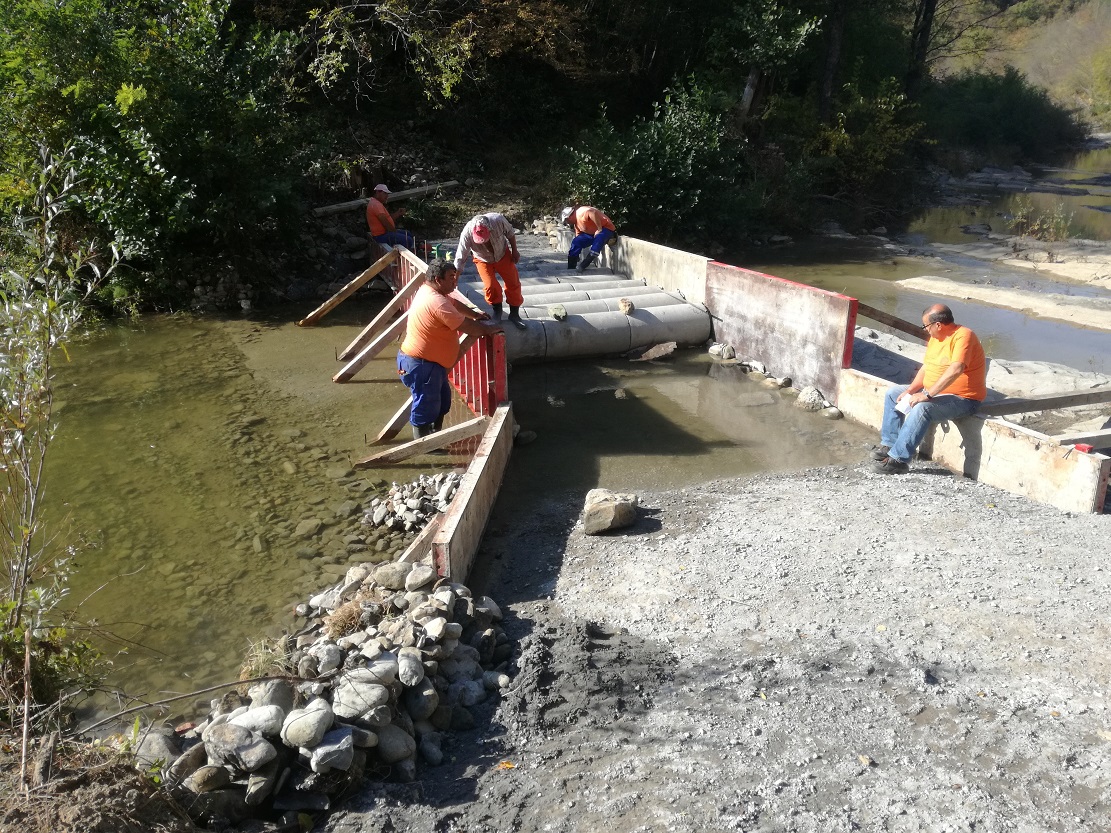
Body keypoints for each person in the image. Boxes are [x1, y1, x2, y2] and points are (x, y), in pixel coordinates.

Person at [871, 303, 987, 474]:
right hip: (937, 393)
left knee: (923, 408)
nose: (925, 330)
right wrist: (910, 390)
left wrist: (926, 394)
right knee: (893, 394)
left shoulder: (963, 336)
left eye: (926, 326)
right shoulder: (935, 338)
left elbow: (957, 368)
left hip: (964, 399)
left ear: (938, 325)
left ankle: (898, 460)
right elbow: (927, 368)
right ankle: (889, 444)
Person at [397, 259, 502, 439]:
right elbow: (470, 328)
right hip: (421, 364)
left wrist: (476, 315)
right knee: (426, 406)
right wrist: (492, 328)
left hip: (428, 364)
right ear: (438, 279)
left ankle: (435, 436)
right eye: (451, 277)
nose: (455, 281)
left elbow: (455, 304)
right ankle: (423, 445)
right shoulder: (436, 301)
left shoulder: (433, 292)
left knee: (442, 402)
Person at [454, 213, 526, 330]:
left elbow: (511, 233)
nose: (482, 243)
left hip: (502, 254)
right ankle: (497, 311)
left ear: (490, 229)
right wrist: (455, 278)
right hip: (482, 259)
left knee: (513, 282)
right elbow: (460, 257)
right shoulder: (467, 233)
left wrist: (515, 251)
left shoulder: (498, 220)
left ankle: (514, 314)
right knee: (490, 286)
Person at [561, 205, 617, 271]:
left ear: (569, 217)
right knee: (576, 241)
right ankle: (571, 268)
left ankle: (584, 264)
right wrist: (576, 253)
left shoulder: (580, 212)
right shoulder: (577, 225)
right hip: (592, 234)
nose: (567, 223)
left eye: (567, 221)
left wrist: (599, 229)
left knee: (599, 238)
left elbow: (592, 212)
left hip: (606, 229)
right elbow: (579, 237)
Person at [366, 184, 415, 249]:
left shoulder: (376, 203)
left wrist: (398, 213)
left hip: (383, 234)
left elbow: (388, 219)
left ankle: (413, 251)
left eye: (387, 194)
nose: (387, 196)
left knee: (407, 233)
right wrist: (394, 232)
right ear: (377, 192)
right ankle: (399, 258)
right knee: (407, 240)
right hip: (381, 236)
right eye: (385, 193)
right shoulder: (376, 205)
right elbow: (385, 223)